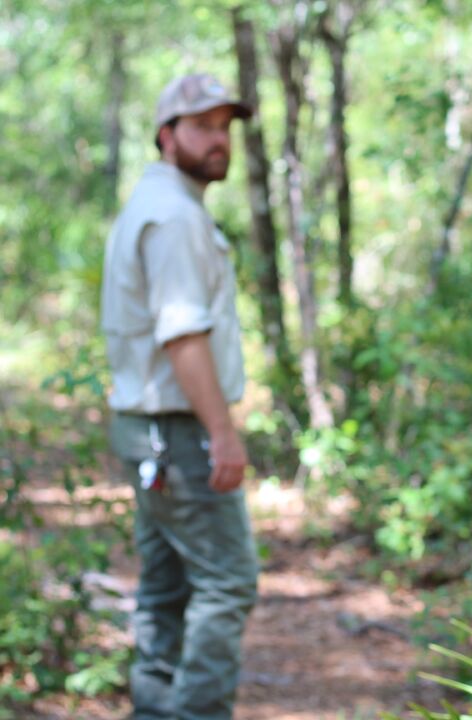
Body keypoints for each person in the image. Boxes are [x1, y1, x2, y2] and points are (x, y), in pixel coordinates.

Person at [101, 73, 259, 720]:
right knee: (227, 583)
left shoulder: (152, 204)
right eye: (202, 126)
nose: (218, 140)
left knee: (164, 589)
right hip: (176, 431)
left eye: (225, 127)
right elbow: (183, 334)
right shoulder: (174, 217)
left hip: (148, 429)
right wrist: (222, 431)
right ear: (167, 136)